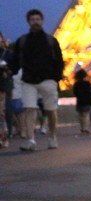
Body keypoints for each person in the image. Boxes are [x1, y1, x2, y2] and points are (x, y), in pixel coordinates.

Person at [11, 9, 64, 151]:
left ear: (42, 21)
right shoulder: (23, 41)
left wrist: (55, 78)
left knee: (51, 111)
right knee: (29, 109)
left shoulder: (50, 41)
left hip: (48, 80)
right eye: (33, 19)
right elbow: (15, 60)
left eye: (38, 19)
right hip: (29, 80)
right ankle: (30, 139)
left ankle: (52, 137)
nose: (36, 22)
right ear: (29, 22)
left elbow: (59, 60)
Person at [72, 69, 91, 134]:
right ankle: (86, 128)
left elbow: (75, 92)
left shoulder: (76, 84)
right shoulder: (87, 83)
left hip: (80, 101)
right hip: (87, 101)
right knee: (86, 114)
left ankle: (82, 127)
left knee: (80, 114)